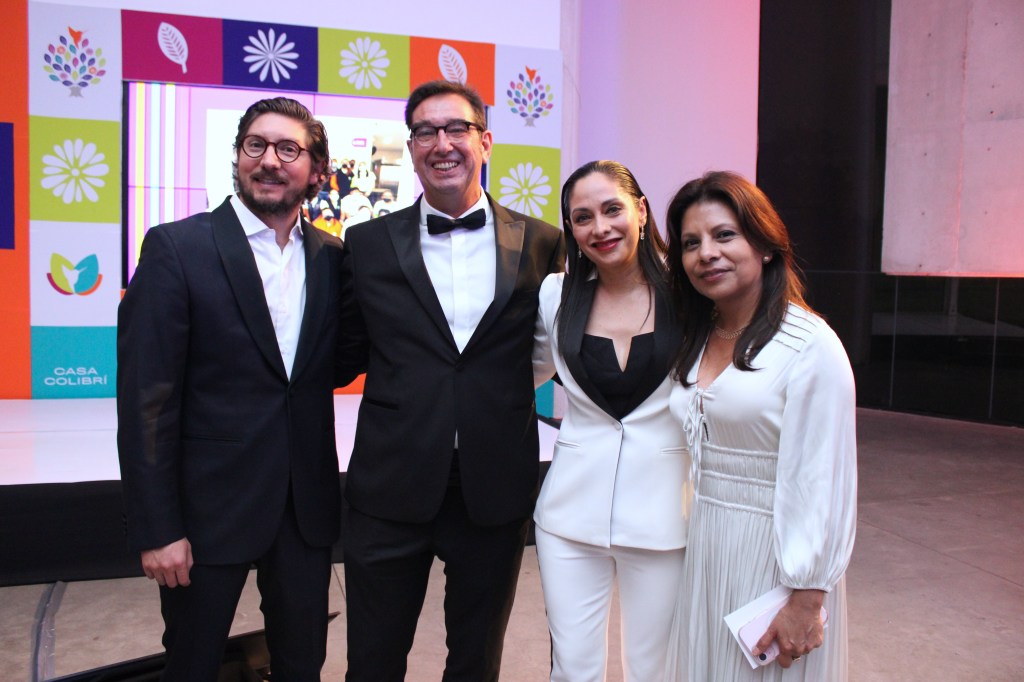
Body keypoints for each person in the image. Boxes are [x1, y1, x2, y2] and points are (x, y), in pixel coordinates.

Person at [336, 79, 565, 681]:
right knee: (372, 663)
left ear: (484, 142)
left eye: (457, 129)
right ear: (411, 147)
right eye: (425, 132)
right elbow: (343, 351)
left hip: (493, 485)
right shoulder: (365, 244)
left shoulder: (543, 242)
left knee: (475, 662)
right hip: (390, 483)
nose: (442, 144)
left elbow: (547, 347)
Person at [117, 97, 345, 682]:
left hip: (304, 511)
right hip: (205, 514)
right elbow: (146, 402)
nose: (269, 161)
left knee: (302, 666)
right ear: (238, 156)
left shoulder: (333, 259)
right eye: (255, 145)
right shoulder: (176, 248)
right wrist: (157, 529)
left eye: (288, 149)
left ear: (315, 171)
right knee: (192, 666)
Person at [663, 171, 857, 680]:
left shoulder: (810, 346)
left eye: (724, 235)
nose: (706, 253)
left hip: (776, 560)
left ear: (766, 246)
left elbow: (824, 480)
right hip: (707, 544)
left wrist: (808, 597)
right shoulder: (698, 335)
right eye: (691, 243)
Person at [532, 160, 692, 681]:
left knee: (656, 669)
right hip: (568, 517)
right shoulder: (556, 294)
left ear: (641, 210)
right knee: (573, 669)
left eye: (611, 210)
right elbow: (530, 370)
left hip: (666, 518)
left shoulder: (689, 292)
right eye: (582, 218)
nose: (600, 228)